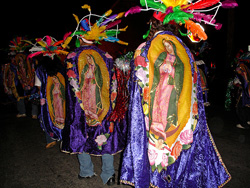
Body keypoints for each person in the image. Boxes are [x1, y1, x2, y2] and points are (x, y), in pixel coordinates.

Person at [120, 1, 234, 186]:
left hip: (160, 108)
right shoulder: (186, 51)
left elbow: (136, 92)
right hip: (184, 117)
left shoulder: (145, 48)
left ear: (152, 23)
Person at [61, 6, 129, 186]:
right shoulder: (107, 56)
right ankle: (108, 174)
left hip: (81, 106)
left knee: (82, 134)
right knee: (105, 133)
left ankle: (86, 170)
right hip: (106, 105)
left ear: (80, 37)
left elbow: (70, 85)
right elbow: (114, 82)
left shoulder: (73, 56)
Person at [35, 56, 66, 148]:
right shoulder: (62, 68)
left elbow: (38, 86)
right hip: (63, 98)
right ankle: (64, 137)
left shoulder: (40, 70)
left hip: (48, 99)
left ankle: (50, 138)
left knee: (47, 116)